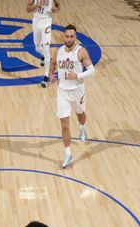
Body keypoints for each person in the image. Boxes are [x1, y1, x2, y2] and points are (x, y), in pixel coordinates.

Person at [49, 24, 95, 169]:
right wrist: (50, 74)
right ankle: (68, 153)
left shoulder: (81, 52)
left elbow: (92, 71)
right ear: (63, 36)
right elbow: (53, 62)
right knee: (64, 125)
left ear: (75, 37)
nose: (69, 39)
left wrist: (78, 75)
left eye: (71, 36)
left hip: (77, 90)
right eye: (67, 36)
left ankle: (82, 127)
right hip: (62, 91)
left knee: (80, 114)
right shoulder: (58, 51)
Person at [26, 0, 60, 88]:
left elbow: (58, 6)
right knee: (37, 47)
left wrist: (55, 9)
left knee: (46, 48)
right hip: (36, 23)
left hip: (46, 23)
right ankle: (43, 55)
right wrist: (38, 5)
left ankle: (46, 76)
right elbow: (28, 9)